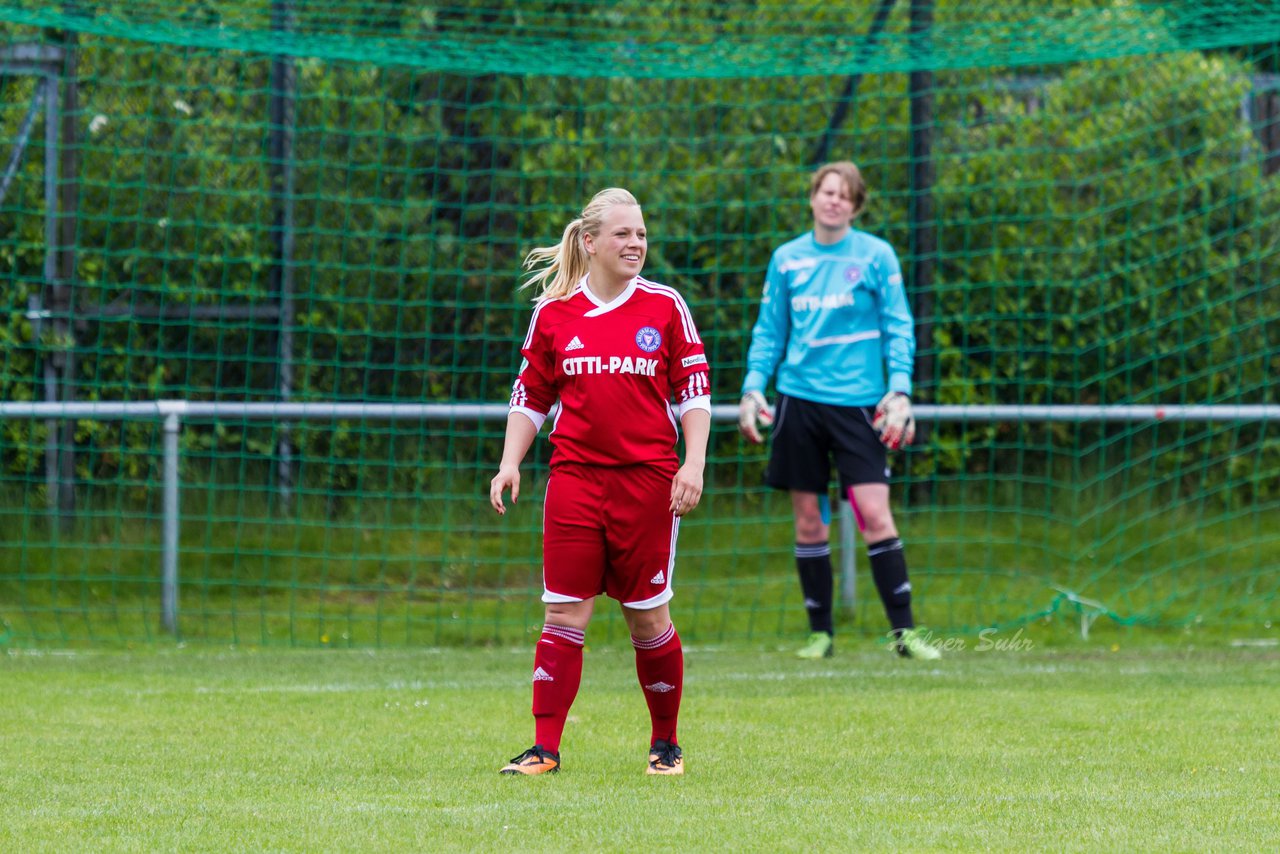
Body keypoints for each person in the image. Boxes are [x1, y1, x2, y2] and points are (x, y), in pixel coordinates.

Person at [489, 188, 711, 776]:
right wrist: (510, 462)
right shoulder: (554, 313)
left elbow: (694, 392)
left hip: (647, 485)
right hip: (575, 482)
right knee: (563, 614)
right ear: (590, 242)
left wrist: (693, 463)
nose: (636, 243)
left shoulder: (665, 307)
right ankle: (545, 749)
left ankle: (666, 745)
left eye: (641, 234)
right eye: (623, 234)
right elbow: (530, 395)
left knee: (648, 617)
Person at [738, 161, 940, 661]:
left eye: (844, 195)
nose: (834, 201)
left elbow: (899, 326)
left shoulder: (876, 255)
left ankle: (906, 635)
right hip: (798, 402)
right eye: (827, 192)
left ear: (855, 205)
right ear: (812, 198)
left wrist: (899, 391)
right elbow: (769, 332)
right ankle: (820, 634)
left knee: (875, 514)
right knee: (809, 521)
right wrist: (752, 388)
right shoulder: (786, 259)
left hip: (860, 407)